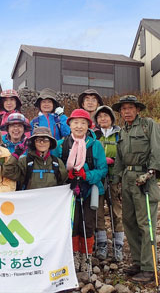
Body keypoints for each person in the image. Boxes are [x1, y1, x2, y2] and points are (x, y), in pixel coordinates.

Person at [112, 95, 160, 283]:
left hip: (145, 179)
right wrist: (115, 181)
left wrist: (151, 172)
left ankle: (149, 268)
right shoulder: (122, 131)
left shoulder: (148, 125)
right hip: (127, 180)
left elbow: (157, 149)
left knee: (145, 223)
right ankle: (138, 262)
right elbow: (119, 159)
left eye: (130, 108)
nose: (127, 112)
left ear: (137, 109)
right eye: (124, 109)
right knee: (129, 222)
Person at [52, 109, 108, 273]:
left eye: (83, 123)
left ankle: (87, 256)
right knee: (72, 224)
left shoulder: (95, 145)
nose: (78, 126)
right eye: (75, 122)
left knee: (88, 224)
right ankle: (74, 255)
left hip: (90, 190)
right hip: (68, 192)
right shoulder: (61, 145)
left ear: (88, 126)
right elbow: (55, 167)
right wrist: (65, 174)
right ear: (69, 125)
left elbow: (103, 169)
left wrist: (86, 175)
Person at [93, 105, 124, 261]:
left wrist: (114, 163)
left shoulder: (119, 135)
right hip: (98, 180)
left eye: (106, 116)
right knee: (97, 211)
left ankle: (118, 246)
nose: (103, 119)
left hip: (114, 179)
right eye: (99, 117)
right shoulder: (94, 135)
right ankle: (102, 244)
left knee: (116, 212)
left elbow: (125, 155)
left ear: (112, 118)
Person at [2, 127, 67, 190]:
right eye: (38, 140)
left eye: (46, 140)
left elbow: (64, 183)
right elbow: (7, 172)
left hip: (52, 200)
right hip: (29, 200)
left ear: (50, 143)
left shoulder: (57, 163)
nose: (42, 142)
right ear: (34, 143)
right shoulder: (25, 161)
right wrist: (16, 155)